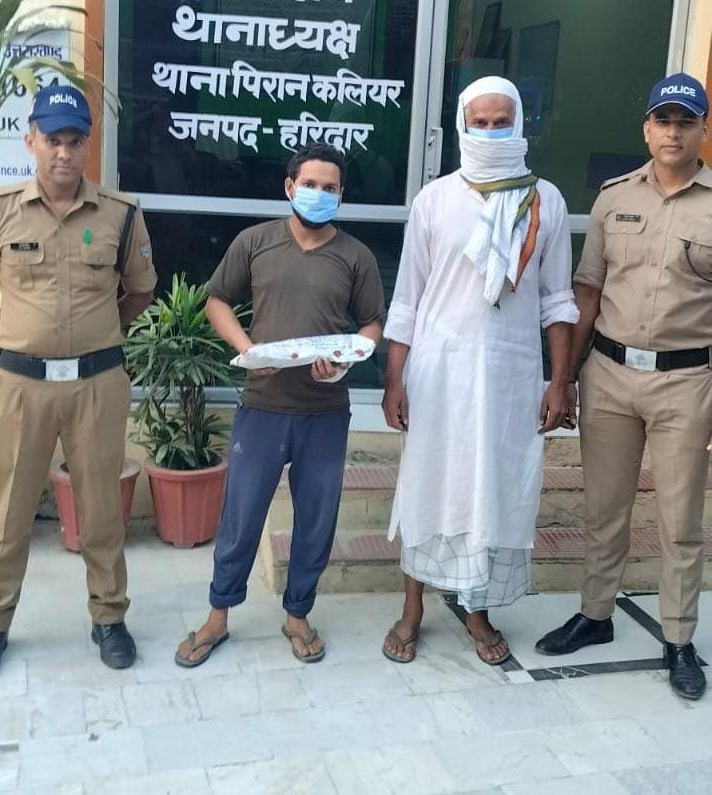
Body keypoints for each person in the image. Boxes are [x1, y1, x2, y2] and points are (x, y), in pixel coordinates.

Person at [381, 76, 579, 665]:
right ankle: (412, 608)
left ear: (520, 124)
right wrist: (394, 379)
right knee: (428, 483)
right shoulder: (435, 199)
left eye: (501, 122)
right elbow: (408, 298)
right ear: (462, 126)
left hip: (509, 377)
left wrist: (560, 381)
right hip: (438, 373)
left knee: (493, 489)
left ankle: (477, 610)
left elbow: (557, 301)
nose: (491, 132)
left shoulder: (546, 200)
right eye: (480, 123)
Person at [536, 72, 711, 700]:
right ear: (646, 129)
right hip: (608, 375)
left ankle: (679, 638)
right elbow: (587, 291)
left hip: (686, 380)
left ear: (703, 131)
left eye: (685, 122)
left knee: (679, 519)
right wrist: (563, 378)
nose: (673, 132)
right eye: (663, 120)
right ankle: (596, 614)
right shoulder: (613, 199)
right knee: (604, 509)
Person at [175, 143, 385, 667]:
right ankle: (218, 615)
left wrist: (346, 361)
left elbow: (371, 325)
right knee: (241, 516)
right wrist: (246, 349)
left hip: (325, 412)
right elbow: (217, 300)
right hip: (263, 406)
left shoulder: (356, 256)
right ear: (290, 187)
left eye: (329, 187)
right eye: (310, 184)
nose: (319, 194)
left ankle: (297, 615)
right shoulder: (255, 242)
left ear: (341, 195)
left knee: (316, 520)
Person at [0, 85, 156, 673]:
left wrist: (98, 335)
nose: (64, 152)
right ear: (30, 140)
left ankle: (109, 617)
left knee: (101, 509)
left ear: (88, 145)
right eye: (53, 140)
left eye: (75, 140)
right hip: (19, 386)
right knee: (7, 511)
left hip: (96, 384)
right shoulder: (2, 209)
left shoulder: (120, 214)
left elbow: (139, 291)